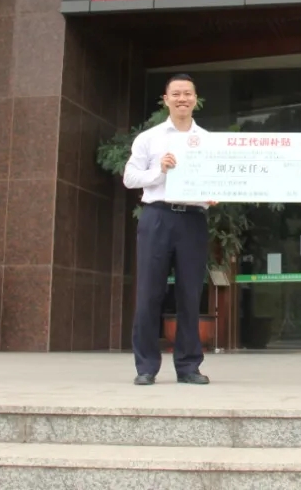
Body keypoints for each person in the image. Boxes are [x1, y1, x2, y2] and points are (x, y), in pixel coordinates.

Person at [124, 73, 213, 386]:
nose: (182, 99)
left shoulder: (208, 140)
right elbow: (129, 178)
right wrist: (159, 170)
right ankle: (146, 367)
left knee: (190, 294)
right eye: (176, 94)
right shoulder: (149, 138)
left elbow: (216, 178)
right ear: (166, 100)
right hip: (157, 216)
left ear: (195, 99)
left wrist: (215, 192)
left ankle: (188, 367)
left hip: (193, 220)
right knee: (149, 293)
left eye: (187, 93)